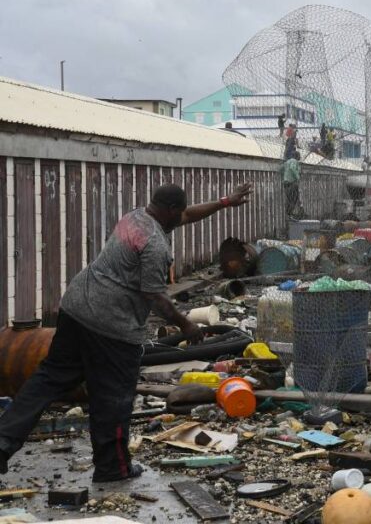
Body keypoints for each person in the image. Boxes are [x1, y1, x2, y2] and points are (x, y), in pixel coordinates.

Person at [0, 183, 252, 482]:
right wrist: (187, 326)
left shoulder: (136, 218)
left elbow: (189, 215)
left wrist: (225, 202)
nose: (183, 217)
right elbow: (154, 296)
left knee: (48, 379)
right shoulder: (155, 245)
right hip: (110, 325)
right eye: (180, 212)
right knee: (114, 395)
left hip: (76, 306)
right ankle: (113, 467)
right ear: (170, 211)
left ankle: (3, 442)